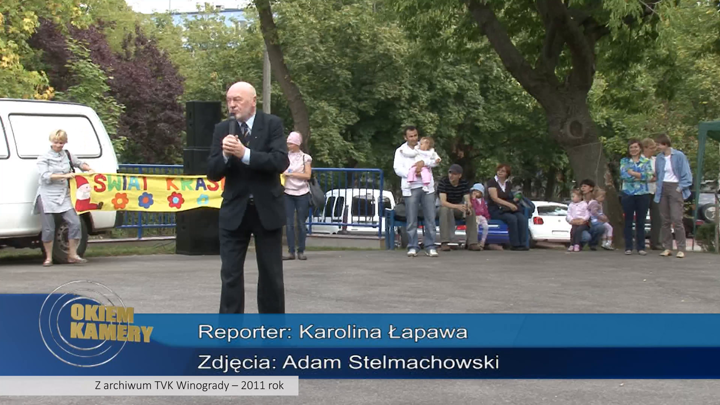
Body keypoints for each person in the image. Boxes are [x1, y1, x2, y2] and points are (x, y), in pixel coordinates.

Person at [206, 81, 290, 314]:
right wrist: (225, 155)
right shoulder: (222, 129)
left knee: (271, 275)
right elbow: (212, 172)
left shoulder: (272, 124)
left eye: (237, 100)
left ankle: (272, 330)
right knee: (230, 275)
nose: (232, 105)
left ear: (253, 101)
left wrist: (245, 154)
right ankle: (230, 330)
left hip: (266, 209)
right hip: (235, 210)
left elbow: (280, 162)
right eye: (229, 100)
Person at [34, 129, 96, 266]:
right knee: (49, 228)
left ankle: (72, 254)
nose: (58, 145)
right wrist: (65, 176)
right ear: (51, 141)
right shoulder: (44, 157)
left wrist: (89, 169)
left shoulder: (67, 154)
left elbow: (79, 163)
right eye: (56, 142)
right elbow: (45, 176)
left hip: (64, 195)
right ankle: (48, 257)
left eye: (61, 143)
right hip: (47, 196)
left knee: (75, 223)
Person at [393, 126, 439, 258]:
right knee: (411, 219)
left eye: (415, 135)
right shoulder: (400, 151)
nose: (414, 138)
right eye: (411, 136)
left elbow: (435, 161)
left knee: (430, 218)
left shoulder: (424, 146)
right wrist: (411, 173)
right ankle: (413, 246)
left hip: (427, 187)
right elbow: (397, 168)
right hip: (411, 186)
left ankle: (430, 246)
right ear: (405, 137)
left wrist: (423, 163)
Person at [654, 133, 693, 259]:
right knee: (665, 220)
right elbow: (658, 174)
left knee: (677, 219)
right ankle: (667, 247)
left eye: (658, 144)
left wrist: (680, 188)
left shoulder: (679, 155)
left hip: (675, 186)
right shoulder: (659, 158)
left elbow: (686, 174)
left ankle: (681, 248)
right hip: (662, 187)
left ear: (665, 144)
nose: (657, 147)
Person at [619, 138, 654, 255]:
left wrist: (633, 173)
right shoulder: (625, 161)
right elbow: (624, 175)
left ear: (640, 148)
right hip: (628, 194)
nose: (633, 149)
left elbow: (649, 176)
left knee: (641, 221)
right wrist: (640, 175)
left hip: (643, 194)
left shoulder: (646, 161)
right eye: (631, 147)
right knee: (628, 220)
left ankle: (641, 247)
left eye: (636, 147)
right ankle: (628, 247)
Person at [282, 131, 312, 261]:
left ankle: (301, 250)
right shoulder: (285, 157)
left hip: (302, 193)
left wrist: (291, 174)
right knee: (289, 223)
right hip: (287, 192)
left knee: (300, 222)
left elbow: (307, 175)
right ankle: (291, 251)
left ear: (297, 144)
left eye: (291, 143)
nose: (289, 145)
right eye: (288, 143)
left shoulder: (305, 158)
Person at [437, 164, 481, 251]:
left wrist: (468, 206)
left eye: (454, 174)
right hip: (444, 207)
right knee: (445, 210)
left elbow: (467, 199)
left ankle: (472, 242)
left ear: (459, 175)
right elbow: (443, 202)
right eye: (450, 173)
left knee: (471, 211)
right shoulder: (443, 182)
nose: (451, 175)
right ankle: (444, 242)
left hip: (457, 208)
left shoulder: (463, 183)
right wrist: (458, 206)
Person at [486, 164, 528, 251]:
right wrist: (510, 205)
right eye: (499, 170)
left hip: (507, 209)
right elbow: (495, 198)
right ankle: (515, 244)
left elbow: (512, 195)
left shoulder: (508, 184)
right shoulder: (492, 182)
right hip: (496, 209)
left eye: (503, 171)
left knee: (522, 218)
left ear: (507, 174)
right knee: (512, 219)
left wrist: (515, 199)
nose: (500, 172)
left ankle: (523, 243)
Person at [642, 138, 662, 250]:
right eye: (651, 148)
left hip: (655, 191)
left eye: (654, 148)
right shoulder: (640, 160)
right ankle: (640, 241)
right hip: (643, 191)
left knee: (657, 218)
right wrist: (650, 177)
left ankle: (655, 242)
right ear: (644, 148)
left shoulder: (656, 160)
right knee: (641, 217)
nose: (653, 150)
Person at [470, 183, 490, 250]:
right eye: (474, 191)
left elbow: (485, 209)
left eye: (477, 191)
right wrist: (473, 199)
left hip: (481, 216)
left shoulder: (483, 201)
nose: (475, 193)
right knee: (475, 228)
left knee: (486, 227)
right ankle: (474, 241)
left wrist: (487, 216)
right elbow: (473, 207)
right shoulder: (472, 200)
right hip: (475, 216)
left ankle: (482, 241)